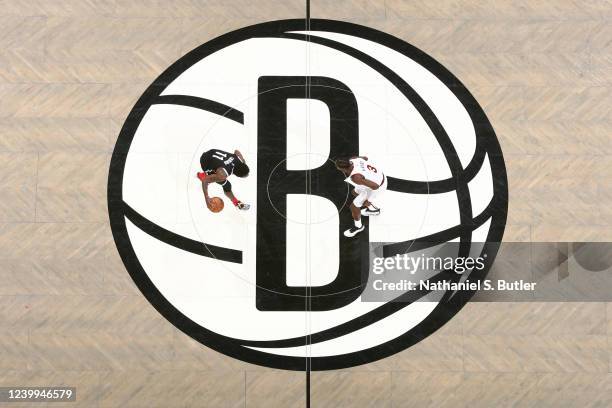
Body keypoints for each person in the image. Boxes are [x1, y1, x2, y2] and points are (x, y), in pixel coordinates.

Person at [335, 156, 386, 237]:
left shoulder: (356, 178)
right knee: (354, 192)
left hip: (379, 186)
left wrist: (369, 200)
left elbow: (375, 187)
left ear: (342, 169)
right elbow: (365, 158)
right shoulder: (354, 159)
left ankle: (358, 227)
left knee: (353, 206)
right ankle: (373, 210)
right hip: (380, 177)